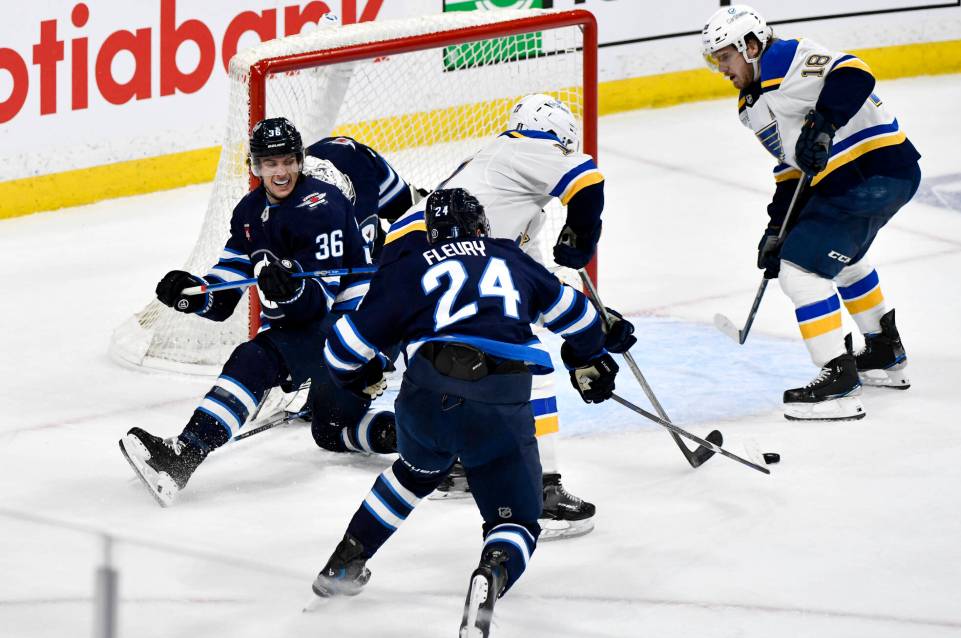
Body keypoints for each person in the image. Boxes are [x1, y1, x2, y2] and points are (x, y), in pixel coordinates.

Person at [311, 188, 625, 638]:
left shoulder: (408, 266)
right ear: (482, 226)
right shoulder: (508, 256)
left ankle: (344, 562)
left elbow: (340, 351)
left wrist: (363, 377)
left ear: (430, 232)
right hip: (500, 401)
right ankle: (492, 570)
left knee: (414, 472)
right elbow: (580, 317)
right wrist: (588, 359)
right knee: (517, 519)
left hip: (427, 396)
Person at [377, 93, 631, 539]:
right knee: (527, 362)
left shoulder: (507, 195)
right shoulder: (524, 146)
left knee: (454, 357)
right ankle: (542, 490)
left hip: (414, 256)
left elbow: (534, 284)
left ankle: (459, 464)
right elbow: (589, 182)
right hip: (428, 253)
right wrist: (583, 236)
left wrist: (597, 318)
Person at [118, 117, 396, 507]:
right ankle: (413, 436)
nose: (280, 172)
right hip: (325, 334)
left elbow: (317, 305)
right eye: (270, 163)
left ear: (299, 161)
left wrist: (292, 290)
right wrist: (194, 294)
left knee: (256, 359)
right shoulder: (248, 213)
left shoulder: (323, 206)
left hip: (354, 331)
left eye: (287, 161)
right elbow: (225, 289)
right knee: (331, 429)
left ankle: (183, 456)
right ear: (255, 166)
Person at [702, 5, 920, 421]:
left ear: (750, 46)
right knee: (844, 259)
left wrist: (822, 125)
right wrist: (776, 230)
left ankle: (838, 381)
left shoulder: (785, 57)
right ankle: (883, 352)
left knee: (800, 270)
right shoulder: (750, 106)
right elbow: (792, 170)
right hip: (863, 181)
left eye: (725, 57)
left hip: (872, 171)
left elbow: (855, 74)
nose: (721, 69)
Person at [306, 135, 421, 263]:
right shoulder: (291, 182)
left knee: (412, 217)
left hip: (367, 170)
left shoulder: (363, 186)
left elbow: (361, 260)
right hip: (337, 157)